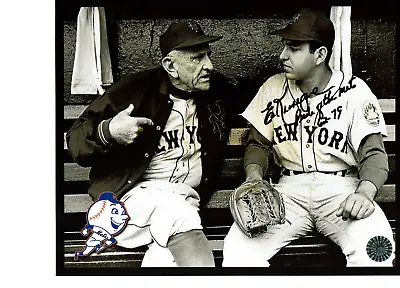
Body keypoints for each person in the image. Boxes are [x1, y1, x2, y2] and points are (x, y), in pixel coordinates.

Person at [66, 20, 254, 267]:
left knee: (165, 257)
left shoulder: (216, 90)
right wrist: (109, 131)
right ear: (170, 66)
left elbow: (259, 105)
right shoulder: (132, 93)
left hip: (185, 204)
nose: (209, 65)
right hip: (128, 206)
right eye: (197, 59)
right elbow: (75, 141)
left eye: (208, 55)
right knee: (176, 211)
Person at [222, 8, 395, 267]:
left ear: (320, 55)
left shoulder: (354, 91)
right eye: (284, 47)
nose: (283, 56)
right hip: (288, 193)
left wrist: (365, 193)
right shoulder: (273, 87)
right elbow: (258, 144)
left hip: (341, 191)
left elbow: (374, 155)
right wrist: (255, 178)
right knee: (238, 251)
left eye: (294, 48)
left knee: (377, 250)